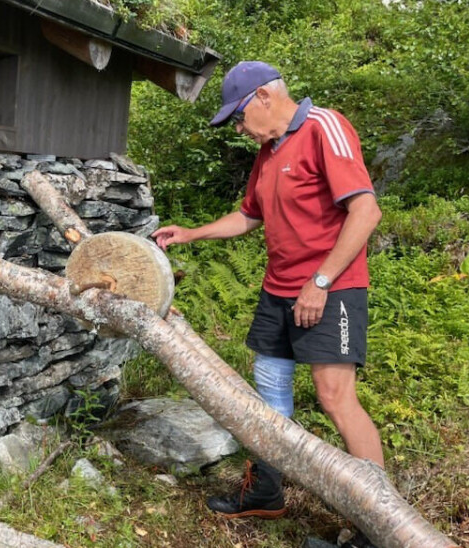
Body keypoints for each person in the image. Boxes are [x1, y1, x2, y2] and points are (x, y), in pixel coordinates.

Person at [152, 61, 384, 548]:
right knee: (269, 390)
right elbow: (247, 216)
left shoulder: (325, 126)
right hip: (279, 289)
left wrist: (319, 282)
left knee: (335, 397)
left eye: (238, 117)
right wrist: (191, 233)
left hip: (331, 288)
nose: (238, 129)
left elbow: (366, 211)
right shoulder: (268, 150)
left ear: (262, 97)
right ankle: (266, 491)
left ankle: (377, 523)